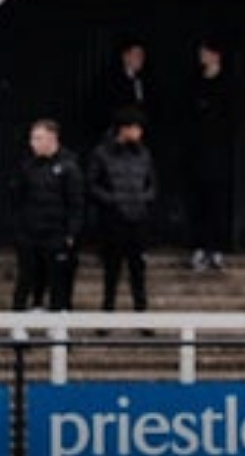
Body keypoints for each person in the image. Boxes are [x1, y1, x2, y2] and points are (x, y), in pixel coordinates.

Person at [87, 109, 157, 315]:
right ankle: (107, 315)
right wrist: (112, 200)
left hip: (138, 219)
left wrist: (145, 198)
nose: (139, 133)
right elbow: (91, 184)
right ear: (124, 129)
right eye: (135, 128)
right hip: (113, 220)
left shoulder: (144, 153)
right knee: (111, 271)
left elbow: (152, 183)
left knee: (138, 271)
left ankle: (142, 315)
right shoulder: (102, 153)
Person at [9, 119, 84, 312]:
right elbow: (17, 198)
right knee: (25, 280)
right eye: (32, 138)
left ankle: (58, 333)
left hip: (55, 235)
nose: (32, 142)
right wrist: (20, 231)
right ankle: (19, 328)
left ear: (52, 138)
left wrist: (70, 234)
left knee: (58, 283)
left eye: (38, 138)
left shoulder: (69, 166)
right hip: (29, 235)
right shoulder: (26, 166)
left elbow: (76, 203)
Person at [186, 39, 235, 271]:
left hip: (219, 155)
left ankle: (216, 249)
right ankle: (199, 248)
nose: (201, 57)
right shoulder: (194, 82)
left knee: (217, 203)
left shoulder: (228, 83)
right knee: (198, 202)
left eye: (205, 52)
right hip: (197, 154)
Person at [105, 40, 150, 123]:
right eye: (137, 55)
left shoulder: (145, 80)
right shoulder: (112, 80)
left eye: (143, 55)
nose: (141, 59)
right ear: (125, 57)